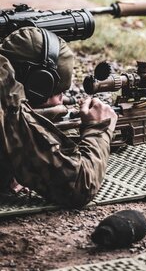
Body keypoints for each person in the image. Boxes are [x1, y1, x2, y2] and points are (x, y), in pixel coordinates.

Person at [0, 27, 118, 207]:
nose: (62, 99)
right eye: (59, 91)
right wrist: (98, 129)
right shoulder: (8, 105)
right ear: (37, 86)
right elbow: (79, 186)